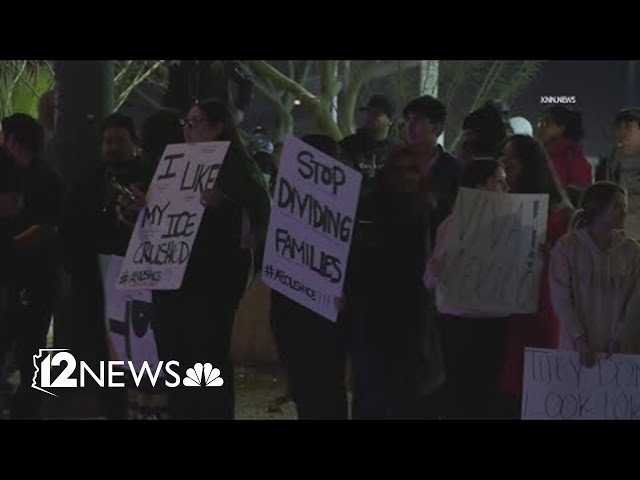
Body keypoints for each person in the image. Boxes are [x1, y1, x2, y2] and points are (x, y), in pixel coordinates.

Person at [151, 99, 271, 419]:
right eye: (186, 123)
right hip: (172, 276)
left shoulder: (239, 169)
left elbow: (258, 219)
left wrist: (225, 205)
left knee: (206, 360)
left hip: (212, 282)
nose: (189, 130)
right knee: (176, 358)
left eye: (197, 122)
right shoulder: (176, 165)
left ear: (219, 127)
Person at [59, 112, 147, 418]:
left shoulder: (152, 181)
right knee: (103, 352)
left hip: (141, 287)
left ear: (135, 144)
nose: (113, 148)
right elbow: (69, 232)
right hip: (96, 284)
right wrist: (76, 273)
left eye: (120, 141)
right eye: (108, 141)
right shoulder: (87, 183)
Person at [347, 145, 444, 419]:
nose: (405, 177)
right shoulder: (368, 206)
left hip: (414, 316)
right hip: (372, 313)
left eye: (412, 170)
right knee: (373, 393)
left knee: (408, 395)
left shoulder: (431, 211)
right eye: (398, 170)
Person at [269, 134, 349, 420]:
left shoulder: (346, 207)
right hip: (292, 310)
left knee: (326, 387)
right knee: (306, 388)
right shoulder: (286, 202)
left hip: (325, 314)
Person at [424, 159, 510, 419]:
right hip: (459, 325)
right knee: (459, 397)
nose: (506, 187)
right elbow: (430, 277)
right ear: (479, 185)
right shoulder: (452, 226)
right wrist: (438, 267)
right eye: (499, 181)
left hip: (495, 324)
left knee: (486, 398)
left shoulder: (513, 227)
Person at [496, 134, 574, 418]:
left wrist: (552, 252)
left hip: (545, 310)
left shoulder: (562, 215)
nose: (505, 165)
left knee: (539, 386)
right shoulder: (503, 205)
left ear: (529, 164)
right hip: (510, 309)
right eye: (502, 158)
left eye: (511, 159)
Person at [0, 114, 64, 419]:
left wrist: (10, 247)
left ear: (13, 139)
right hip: (18, 274)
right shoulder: (16, 173)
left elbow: (47, 226)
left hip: (36, 274)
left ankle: (29, 406)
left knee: (30, 347)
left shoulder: (43, 178)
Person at [550, 182, 640, 365]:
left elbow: (636, 300)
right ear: (598, 207)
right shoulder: (567, 247)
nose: (623, 212)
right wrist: (579, 338)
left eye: (624, 207)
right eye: (617, 206)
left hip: (619, 350)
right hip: (576, 348)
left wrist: (620, 337)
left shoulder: (632, 250)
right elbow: (561, 298)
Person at [402, 95, 461, 243]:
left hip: (439, 248)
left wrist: (437, 205)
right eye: (408, 120)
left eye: (417, 121)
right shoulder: (395, 162)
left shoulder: (453, 168)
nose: (410, 126)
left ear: (437, 127)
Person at [340, 95, 397, 203]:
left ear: (391, 120)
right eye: (368, 113)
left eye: (376, 114)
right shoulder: (348, 145)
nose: (369, 117)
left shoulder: (397, 152)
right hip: (354, 211)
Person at [596, 107, 640, 240]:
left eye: (628, 127)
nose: (622, 132)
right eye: (619, 127)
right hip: (615, 238)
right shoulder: (607, 164)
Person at [163, 61, 254, 125]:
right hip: (184, 118)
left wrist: (240, 109)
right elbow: (172, 91)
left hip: (214, 118)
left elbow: (246, 79)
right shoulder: (179, 64)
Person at [536, 105, 592, 204]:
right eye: (540, 122)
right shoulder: (537, 155)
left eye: (546, 123)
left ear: (561, 129)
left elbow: (580, 198)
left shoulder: (574, 158)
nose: (540, 127)